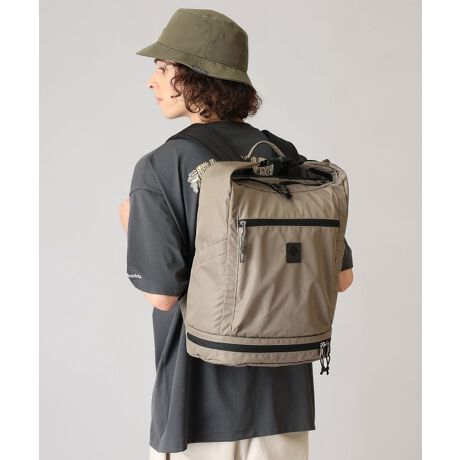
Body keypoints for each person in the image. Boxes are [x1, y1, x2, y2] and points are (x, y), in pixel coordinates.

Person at [118, 8, 354, 460]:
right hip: (285, 404)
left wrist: (132, 225)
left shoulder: (162, 165)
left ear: (192, 76)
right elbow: (341, 278)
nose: (151, 81)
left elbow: (162, 296)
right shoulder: (286, 157)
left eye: (162, 68)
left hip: (198, 406)